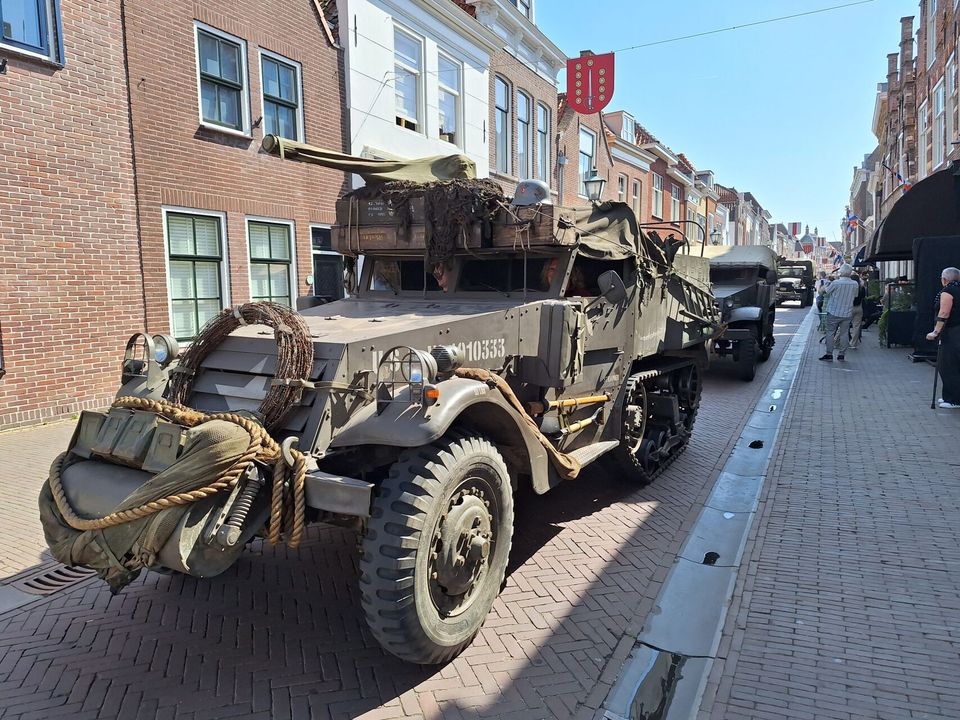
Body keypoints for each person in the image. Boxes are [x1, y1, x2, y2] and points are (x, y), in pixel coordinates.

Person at [926, 266, 960, 409]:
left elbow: (944, 313)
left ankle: (953, 399)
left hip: (952, 332)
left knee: (948, 365)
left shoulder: (948, 291)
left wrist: (935, 331)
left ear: (944, 279)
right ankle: (950, 396)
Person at [819, 264, 859, 362]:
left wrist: (826, 285)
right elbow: (855, 295)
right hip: (847, 312)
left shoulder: (836, 283)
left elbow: (827, 291)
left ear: (841, 272)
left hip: (834, 311)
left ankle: (829, 354)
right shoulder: (855, 283)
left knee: (830, 332)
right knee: (844, 333)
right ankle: (842, 354)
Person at [848, 273, 867, 349]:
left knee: (844, 325)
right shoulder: (862, 288)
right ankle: (853, 344)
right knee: (856, 327)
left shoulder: (850, 288)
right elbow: (863, 297)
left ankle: (836, 340)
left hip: (850, 308)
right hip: (859, 308)